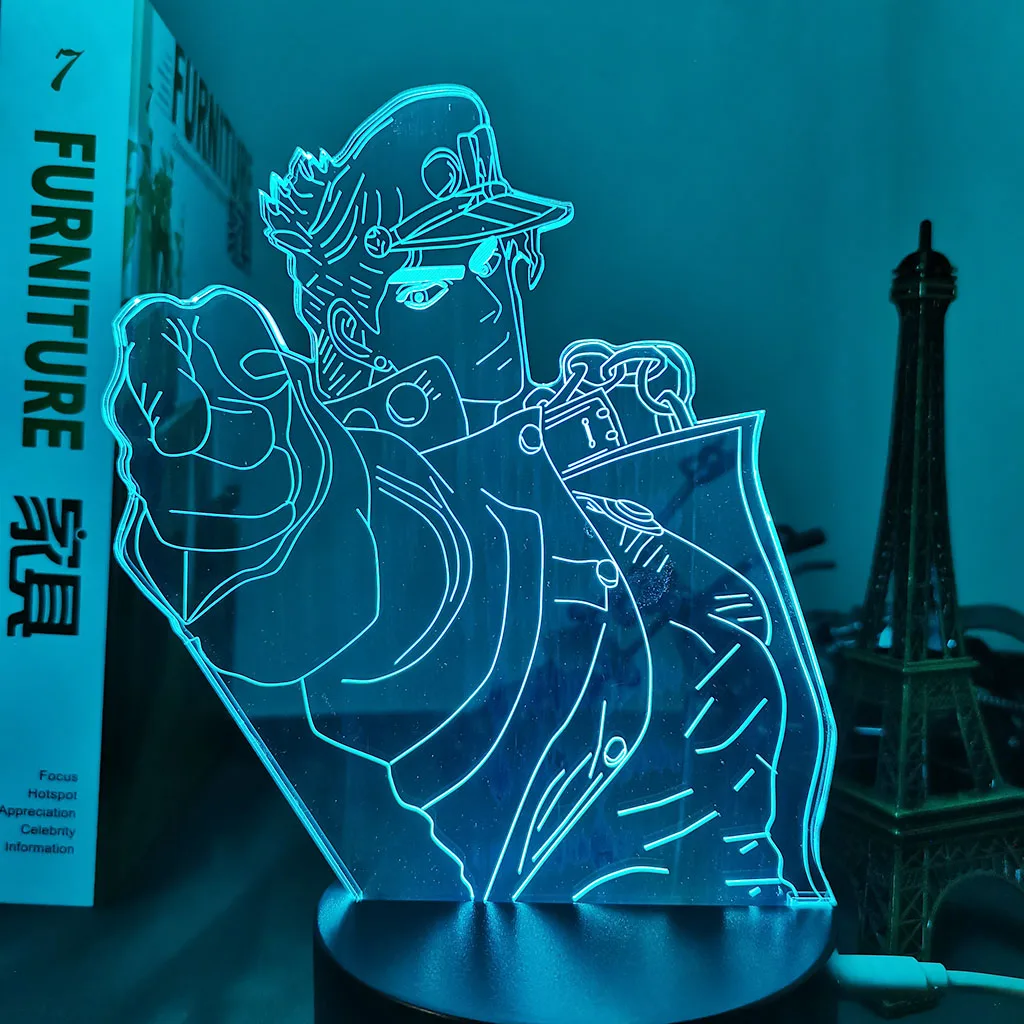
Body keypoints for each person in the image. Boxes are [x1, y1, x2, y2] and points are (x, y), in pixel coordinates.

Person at [104, 85, 834, 905]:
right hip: (573, 893)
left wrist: (645, 460)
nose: (487, 308)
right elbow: (334, 555)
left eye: (494, 261)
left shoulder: (560, 437)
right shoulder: (387, 493)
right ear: (352, 329)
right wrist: (236, 443)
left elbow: (720, 616)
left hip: (735, 879)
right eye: (428, 287)